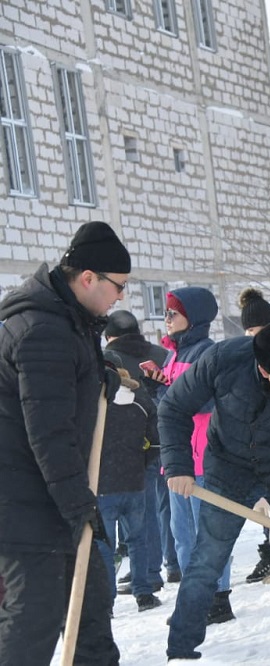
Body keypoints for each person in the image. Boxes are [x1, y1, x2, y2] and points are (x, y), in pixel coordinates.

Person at [0, 221, 130, 665]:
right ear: (88, 278)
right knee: (33, 620)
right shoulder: (44, 329)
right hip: (25, 503)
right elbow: (48, 430)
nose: (121, 298)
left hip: (50, 497)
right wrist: (78, 503)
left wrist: (96, 377)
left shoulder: (65, 319)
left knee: (90, 613)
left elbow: (57, 391)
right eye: (119, 286)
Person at [161, 320, 270, 660]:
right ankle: (180, 651)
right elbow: (174, 408)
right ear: (265, 370)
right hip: (230, 469)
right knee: (207, 561)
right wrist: (177, 466)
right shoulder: (223, 360)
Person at [145, 286, 233, 623]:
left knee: (208, 533)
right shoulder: (173, 355)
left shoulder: (206, 353)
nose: (166, 320)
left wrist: (167, 391)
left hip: (204, 460)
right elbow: (170, 406)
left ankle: (218, 597)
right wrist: (157, 385)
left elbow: (207, 401)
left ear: (193, 318)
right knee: (181, 535)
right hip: (177, 459)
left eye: (173, 313)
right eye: (166, 313)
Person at [103, 310, 180, 594]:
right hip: (171, 438)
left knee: (142, 512)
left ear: (109, 336)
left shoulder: (108, 359)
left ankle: (148, 572)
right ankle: (174, 563)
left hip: (134, 447)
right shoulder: (163, 354)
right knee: (169, 505)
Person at [94, 367, 162, 612]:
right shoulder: (141, 403)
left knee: (105, 545)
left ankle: (107, 601)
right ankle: (143, 593)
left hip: (103, 486)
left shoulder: (96, 405)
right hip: (135, 483)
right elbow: (155, 442)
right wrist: (140, 465)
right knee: (137, 540)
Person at [237, 287, 270, 585]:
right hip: (260, 442)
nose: (255, 335)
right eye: (250, 330)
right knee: (267, 506)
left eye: (260, 328)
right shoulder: (246, 359)